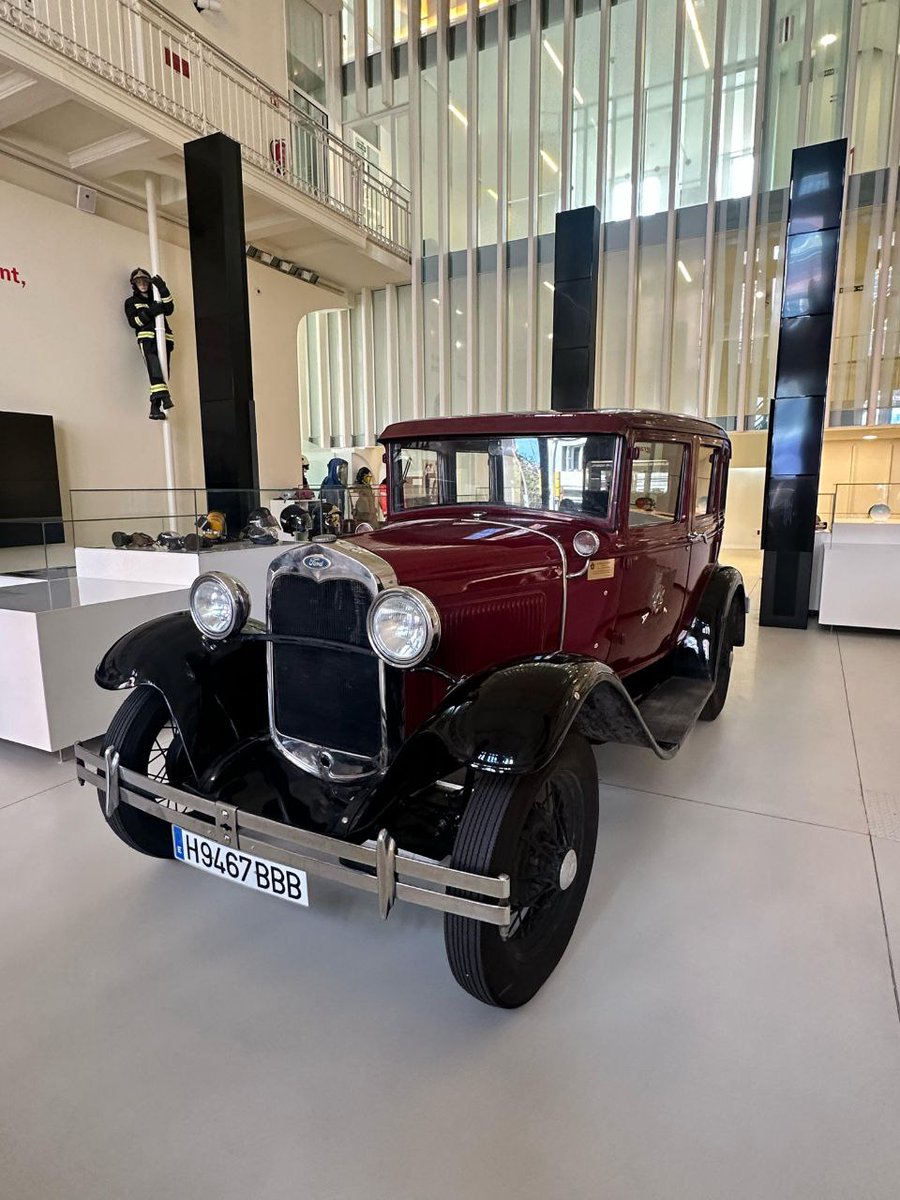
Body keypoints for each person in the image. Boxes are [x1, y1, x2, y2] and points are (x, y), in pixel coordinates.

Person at [124, 267, 175, 420]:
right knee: (155, 371)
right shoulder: (131, 302)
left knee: (163, 373)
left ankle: (155, 407)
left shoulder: (156, 298)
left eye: (144, 281)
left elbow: (169, 308)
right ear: (134, 284)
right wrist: (150, 312)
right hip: (147, 339)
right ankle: (164, 399)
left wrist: (163, 289)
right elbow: (135, 322)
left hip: (165, 338)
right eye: (138, 281)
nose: (142, 284)